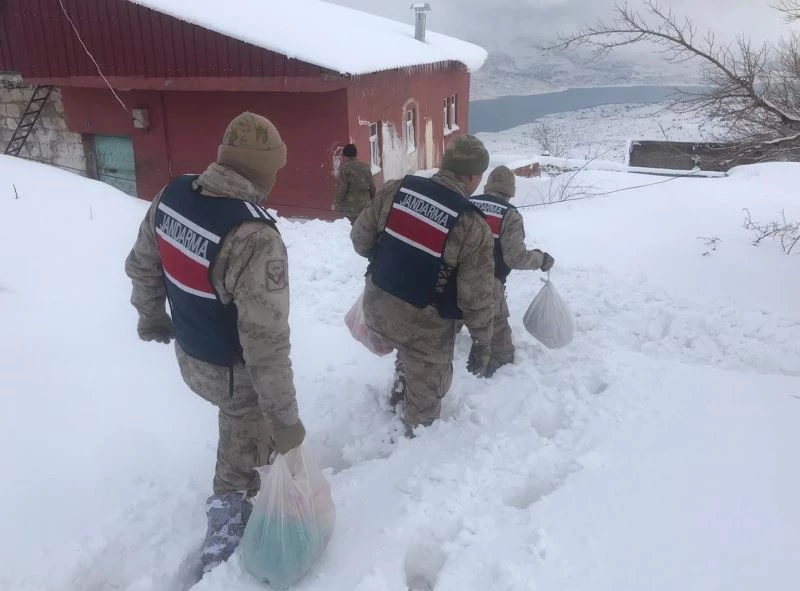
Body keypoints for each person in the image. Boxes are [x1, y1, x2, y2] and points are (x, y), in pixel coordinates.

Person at [124, 112, 305, 575]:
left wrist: (151, 318)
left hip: (189, 355)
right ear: (264, 169)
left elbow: (143, 265)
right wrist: (287, 427)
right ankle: (223, 549)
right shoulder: (254, 237)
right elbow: (266, 346)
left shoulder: (173, 194)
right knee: (244, 445)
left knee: (245, 424)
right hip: (231, 377)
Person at [350, 135, 495, 435]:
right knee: (426, 400)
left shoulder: (396, 189)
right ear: (473, 176)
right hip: (423, 329)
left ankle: (400, 393)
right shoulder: (472, 225)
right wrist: (482, 341)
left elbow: (360, 241)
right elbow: (475, 297)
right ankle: (412, 447)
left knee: (409, 344)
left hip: (377, 309)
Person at [470, 165, 555, 376]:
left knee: (454, 314)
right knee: (498, 328)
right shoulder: (510, 216)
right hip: (488, 283)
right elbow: (515, 257)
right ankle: (497, 368)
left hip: (455, 278)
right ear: (510, 192)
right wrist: (541, 259)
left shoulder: (467, 204)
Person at [333, 143, 376, 223]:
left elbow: (342, 188)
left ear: (345, 156)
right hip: (365, 205)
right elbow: (372, 187)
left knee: (353, 228)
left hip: (351, 207)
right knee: (363, 226)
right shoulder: (365, 167)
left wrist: (336, 203)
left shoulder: (345, 169)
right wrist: (373, 200)